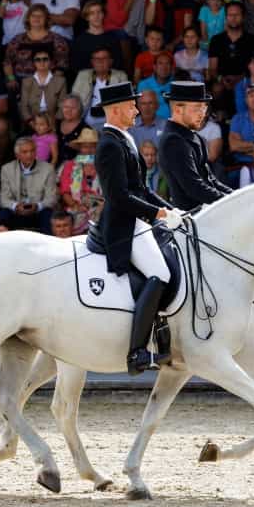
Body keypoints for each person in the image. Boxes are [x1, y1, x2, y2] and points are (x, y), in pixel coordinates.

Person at [92, 82, 183, 374]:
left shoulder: (125, 139)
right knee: (160, 273)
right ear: (117, 110)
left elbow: (141, 188)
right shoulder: (108, 145)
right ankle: (137, 351)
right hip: (123, 225)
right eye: (132, 106)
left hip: (137, 220)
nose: (136, 110)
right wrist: (155, 212)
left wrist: (169, 209)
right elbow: (118, 196)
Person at [158, 81, 230, 210]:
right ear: (178, 109)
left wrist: (236, 196)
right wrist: (232, 202)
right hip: (192, 220)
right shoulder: (173, 140)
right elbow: (194, 188)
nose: (203, 113)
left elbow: (210, 180)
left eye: (204, 107)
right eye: (197, 107)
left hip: (207, 214)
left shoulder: (195, 136)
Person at [0, 136, 56, 234]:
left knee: (48, 214)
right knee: (3, 214)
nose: (29, 155)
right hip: (16, 210)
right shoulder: (7, 169)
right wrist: (16, 206)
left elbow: (51, 198)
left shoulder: (48, 169)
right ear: (17, 155)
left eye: (32, 151)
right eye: (25, 152)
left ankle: (47, 246)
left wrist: (37, 206)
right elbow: (4, 199)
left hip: (38, 210)